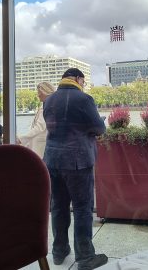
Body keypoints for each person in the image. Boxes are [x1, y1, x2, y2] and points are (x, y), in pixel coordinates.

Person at [43, 68, 108, 270]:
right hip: (78, 161)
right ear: (78, 79)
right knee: (82, 208)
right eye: (84, 81)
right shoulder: (84, 99)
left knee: (59, 206)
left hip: (53, 160)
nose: (84, 84)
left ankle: (58, 251)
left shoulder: (48, 100)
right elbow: (99, 128)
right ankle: (85, 257)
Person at [17, 82, 56, 158]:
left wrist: (21, 139)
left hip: (40, 147)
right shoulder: (48, 105)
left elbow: (39, 128)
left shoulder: (47, 107)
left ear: (46, 92)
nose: (38, 95)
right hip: (39, 145)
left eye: (39, 92)